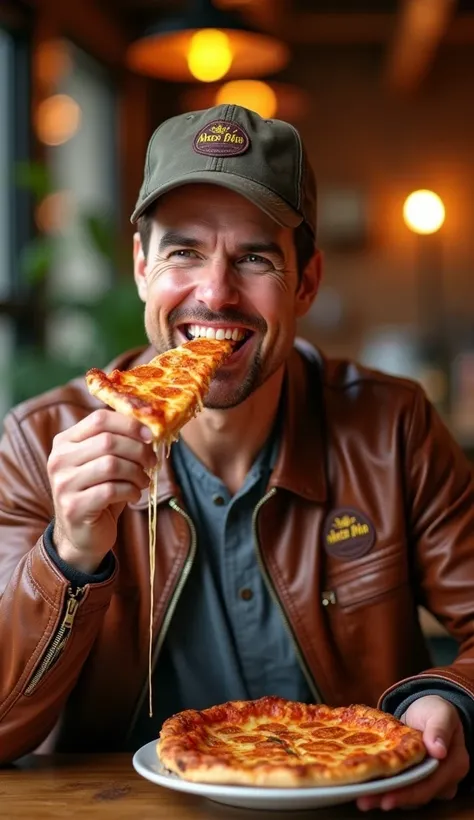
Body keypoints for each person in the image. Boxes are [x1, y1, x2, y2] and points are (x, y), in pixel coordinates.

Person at [0, 103, 472, 811]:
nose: (215, 293)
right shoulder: (39, 444)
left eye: (254, 256)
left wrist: (452, 704)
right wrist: (69, 554)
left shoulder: (392, 427)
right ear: (140, 268)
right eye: (183, 251)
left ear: (306, 282)